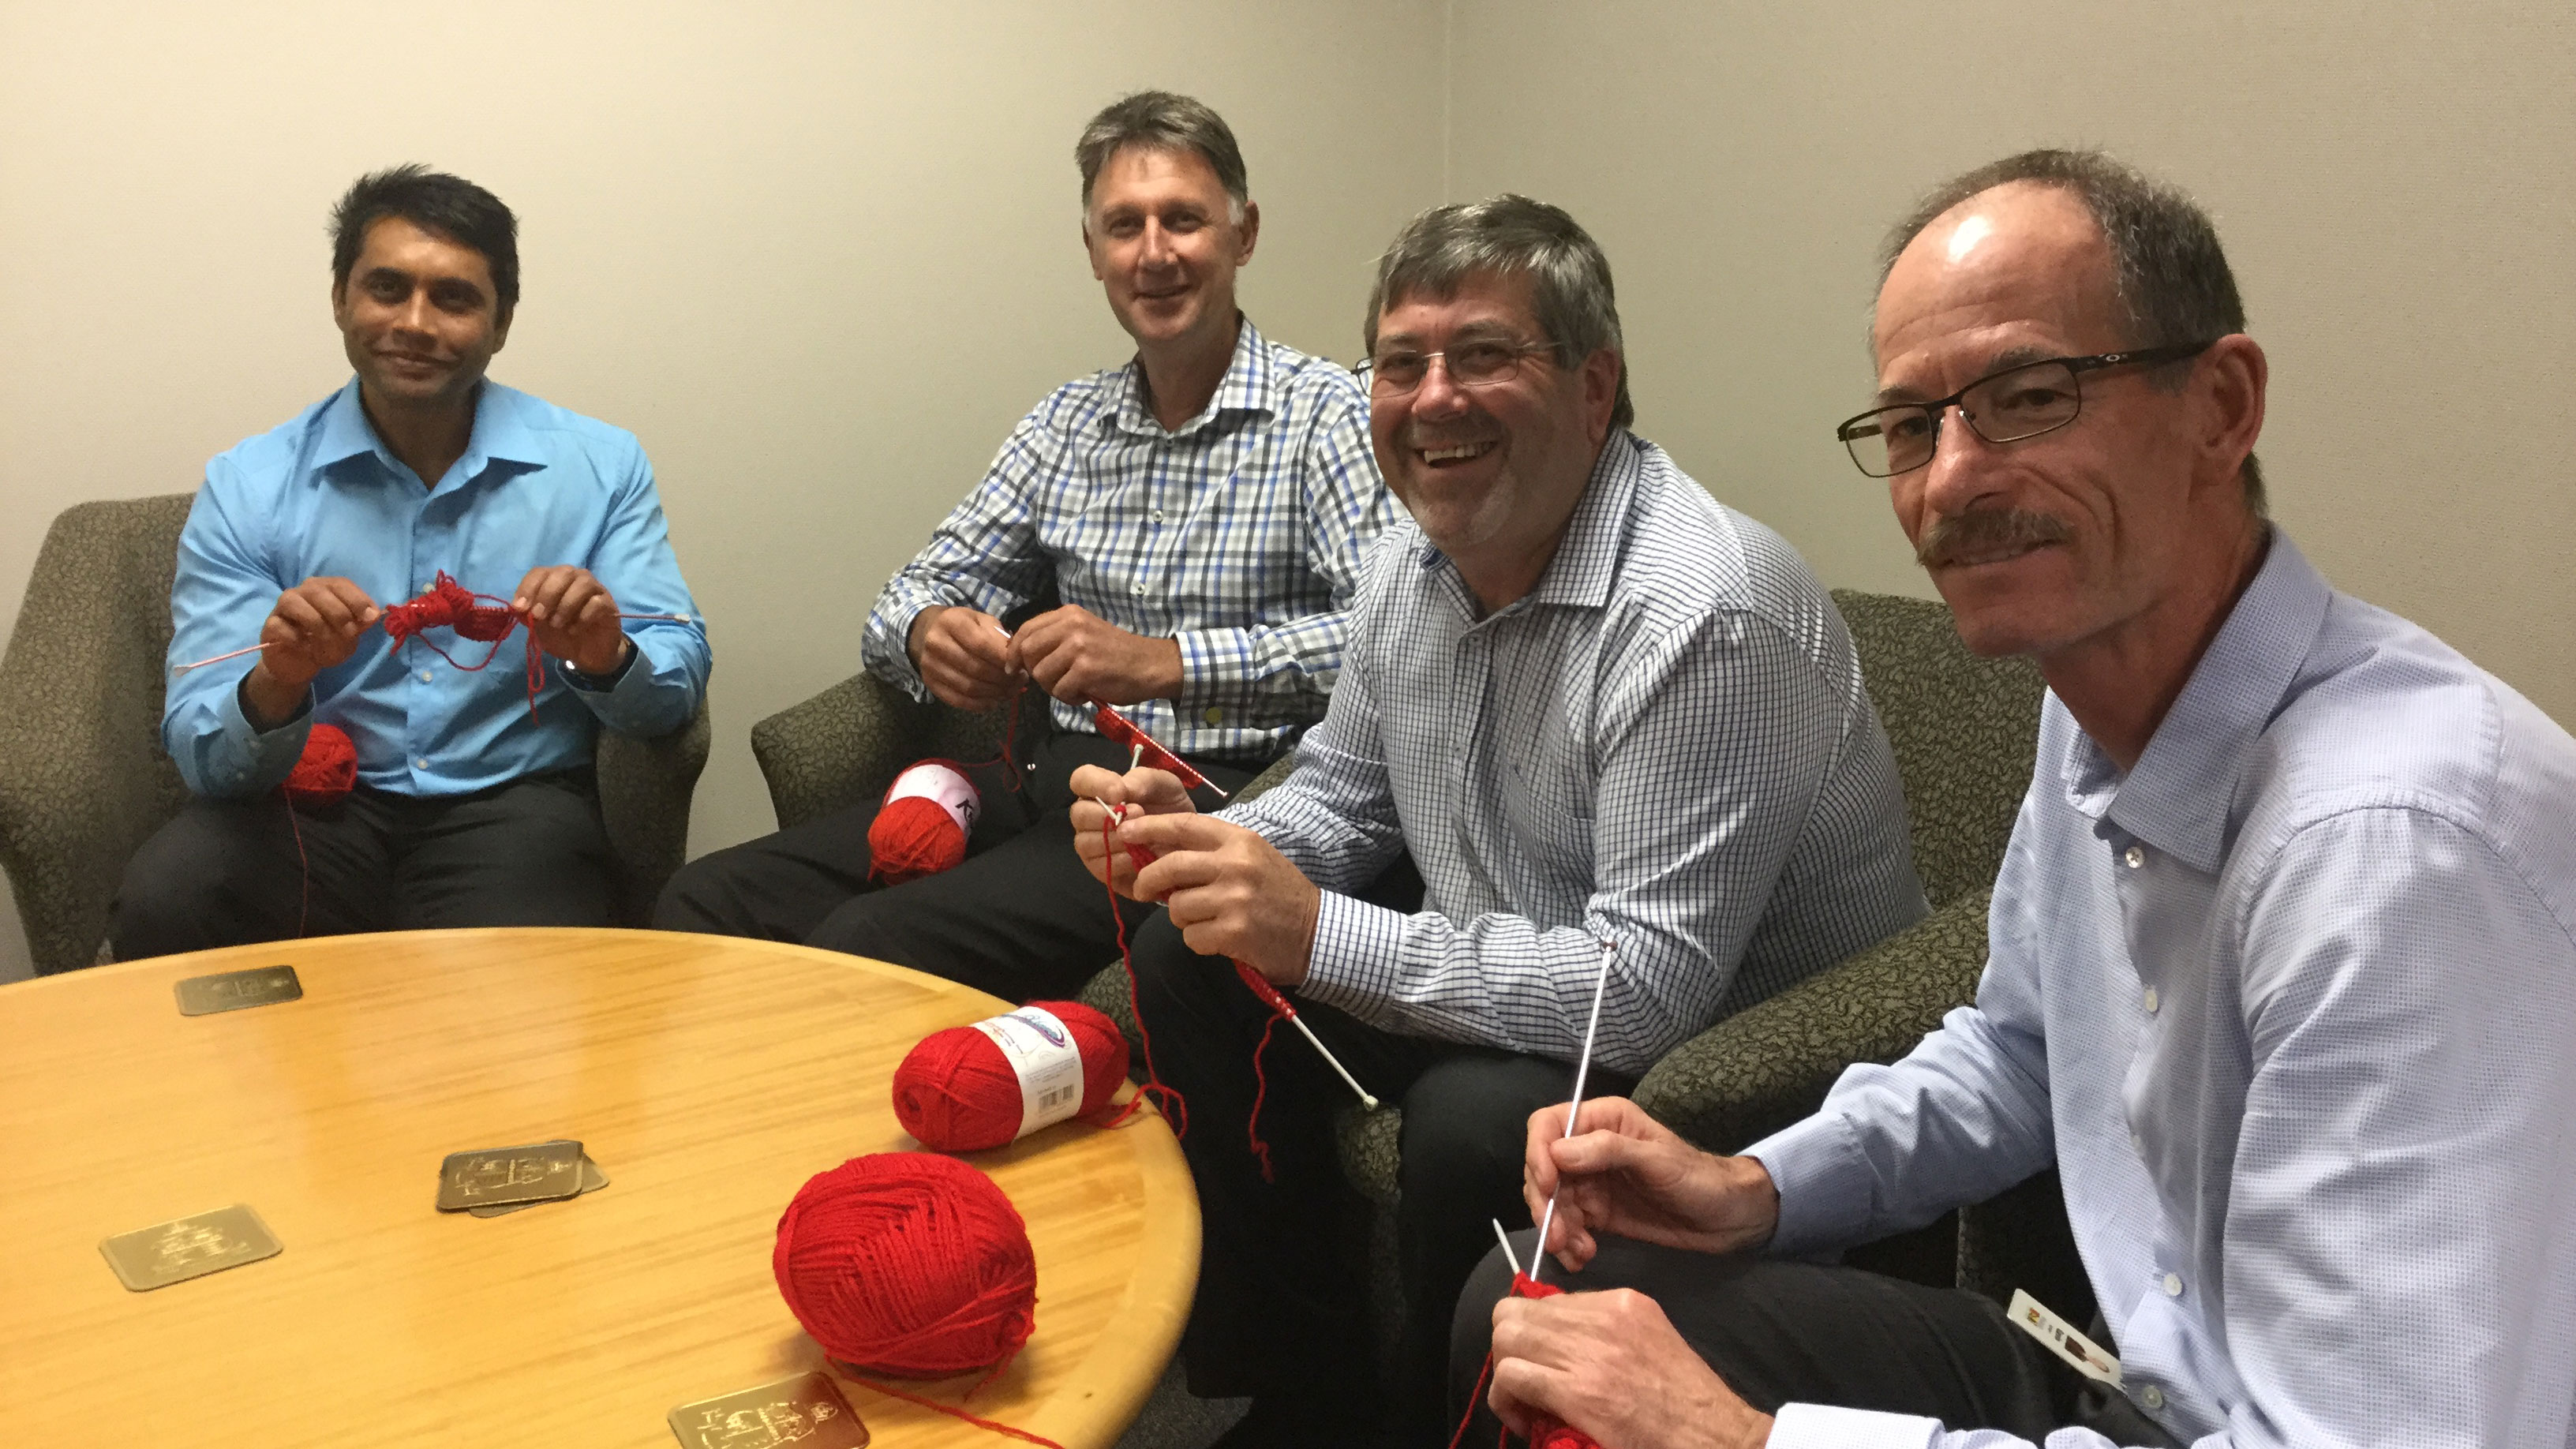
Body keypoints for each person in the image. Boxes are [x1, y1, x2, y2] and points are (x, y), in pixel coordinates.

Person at [1452, 150, 2576, 1449]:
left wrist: (1743, 1439)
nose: (1950, 481)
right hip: (2135, 1377)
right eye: (1910, 426)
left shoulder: (2395, 852)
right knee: (1535, 1300)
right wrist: (1754, 1187)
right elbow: (2019, 1052)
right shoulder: (2092, 692)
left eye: (2028, 398)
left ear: (2219, 407)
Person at [1075, 195, 1924, 1447]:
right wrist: (1212, 847)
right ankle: (1308, 1395)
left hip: (1723, 1041)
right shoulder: (1408, 561)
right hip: (1513, 961)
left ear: (1594, 387)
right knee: (1183, 962)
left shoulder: (1703, 611)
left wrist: (1317, 934)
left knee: (1476, 1125)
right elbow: (1345, 791)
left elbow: (1643, 995)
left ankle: (1437, 1424)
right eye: (1399, 363)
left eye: (1482, 355)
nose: (1433, 399)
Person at [653, 91, 1391, 1002]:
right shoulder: (1064, 425)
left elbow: (1391, 645)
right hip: (1047, 780)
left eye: (1183, 220)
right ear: (1093, 252)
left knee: (869, 944)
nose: (1154, 252)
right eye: (1124, 225)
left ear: (1243, 235)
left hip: (1208, 800)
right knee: (705, 900)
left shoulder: (1326, 416)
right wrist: (929, 632)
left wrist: (1167, 663)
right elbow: (912, 589)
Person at [111, 166, 709, 960]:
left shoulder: (599, 468)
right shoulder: (250, 485)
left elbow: (672, 688)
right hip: (312, 807)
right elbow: (205, 755)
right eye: (387, 289)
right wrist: (278, 681)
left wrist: (606, 655)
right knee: (169, 897)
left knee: (522, 976)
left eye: (454, 298)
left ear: (501, 322)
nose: (415, 323)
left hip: (513, 806)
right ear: (340, 298)